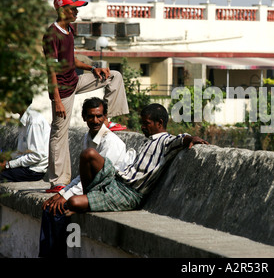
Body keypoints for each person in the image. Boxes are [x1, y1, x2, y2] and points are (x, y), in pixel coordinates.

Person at [43, 0, 129, 193]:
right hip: (62, 90)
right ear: (63, 10)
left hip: (75, 80)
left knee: (113, 75)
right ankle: (58, 182)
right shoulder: (51, 35)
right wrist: (57, 100)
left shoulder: (69, 29)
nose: (76, 11)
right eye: (73, 8)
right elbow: (51, 70)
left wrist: (93, 69)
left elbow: (71, 60)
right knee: (59, 133)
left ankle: (108, 122)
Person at [66, 103, 209, 213]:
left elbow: (180, 139)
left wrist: (192, 138)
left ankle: (88, 200)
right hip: (117, 180)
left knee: (73, 202)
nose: (142, 127)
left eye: (146, 123)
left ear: (159, 123)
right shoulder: (148, 140)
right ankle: (89, 195)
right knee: (89, 154)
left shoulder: (164, 141)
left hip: (128, 194)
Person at [39, 97, 134, 257]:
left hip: (107, 190)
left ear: (105, 117)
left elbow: (100, 177)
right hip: (92, 187)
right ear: (84, 117)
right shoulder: (87, 137)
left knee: (60, 209)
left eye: (99, 116)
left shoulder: (111, 142)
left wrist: (66, 197)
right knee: (50, 207)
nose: (95, 120)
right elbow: (82, 176)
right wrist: (61, 194)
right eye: (91, 116)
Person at [0, 98, 50, 182]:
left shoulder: (34, 121)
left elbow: (36, 156)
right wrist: (7, 158)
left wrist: (7, 165)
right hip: (27, 166)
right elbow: (22, 152)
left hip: (34, 170)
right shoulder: (24, 119)